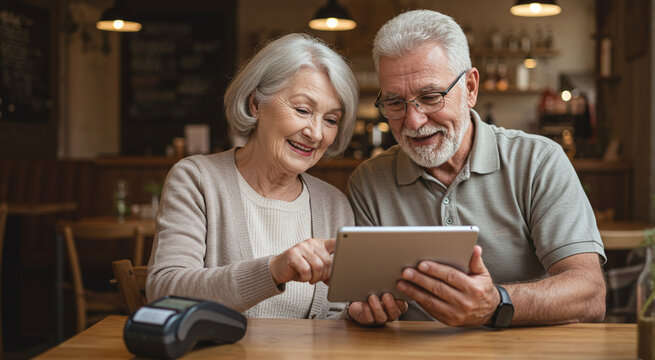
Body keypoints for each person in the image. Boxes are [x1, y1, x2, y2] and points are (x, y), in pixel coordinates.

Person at [346, 10, 606, 327]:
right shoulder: (369, 182)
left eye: (430, 97)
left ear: (470, 87)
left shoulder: (538, 162)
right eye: (395, 102)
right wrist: (367, 309)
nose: (413, 121)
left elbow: (590, 295)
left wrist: (496, 304)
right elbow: (363, 299)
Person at [146, 33, 358, 320]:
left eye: (331, 120)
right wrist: (272, 270)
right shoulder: (196, 180)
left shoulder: (333, 204)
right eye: (302, 110)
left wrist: (362, 314)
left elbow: (336, 317)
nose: (316, 133)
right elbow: (165, 293)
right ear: (256, 103)